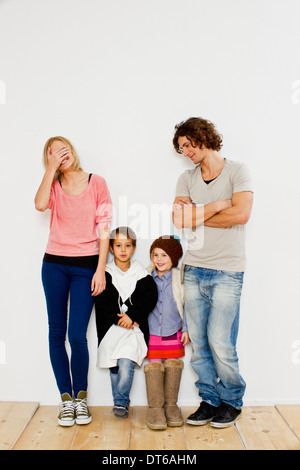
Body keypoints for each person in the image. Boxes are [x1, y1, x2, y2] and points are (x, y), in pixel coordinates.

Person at [172, 117, 253, 428]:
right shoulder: (186, 178)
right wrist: (220, 205)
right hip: (193, 270)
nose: (185, 152)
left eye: (187, 145)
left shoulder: (238, 171)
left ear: (202, 137)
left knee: (221, 341)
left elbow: (242, 214)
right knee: (199, 344)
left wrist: (198, 215)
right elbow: (179, 219)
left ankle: (232, 400)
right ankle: (209, 399)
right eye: (180, 149)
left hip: (228, 271)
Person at [34, 136, 112, 426]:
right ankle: (66, 400)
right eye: (52, 154)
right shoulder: (52, 185)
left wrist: (101, 269)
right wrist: (49, 170)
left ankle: (81, 398)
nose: (59, 155)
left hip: (86, 266)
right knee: (56, 332)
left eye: (63, 149)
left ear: (72, 151)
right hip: (53, 264)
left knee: (77, 335)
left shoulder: (97, 183)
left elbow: (104, 229)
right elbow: (40, 205)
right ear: (49, 159)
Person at [95, 227, 158, 419]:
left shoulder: (142, 275)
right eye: (118, 245)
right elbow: (102, 301)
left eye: (128, 245)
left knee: (126, 363)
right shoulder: (104, 273)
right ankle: (119, 402)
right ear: (112, 249)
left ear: (134, 248)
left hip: (134, 330)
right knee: (114, 367)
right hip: (110, 330)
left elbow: (149, 298)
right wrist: (117, 319)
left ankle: (121, 401)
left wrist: (132, 315)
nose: (123, 250)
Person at [144, 235, 190, 430]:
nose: (159, 259)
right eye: (155, 255)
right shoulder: (146, 276)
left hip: (173, 331)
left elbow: (186, 305)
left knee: (172, 366)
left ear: (173, 257)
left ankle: (171, 406)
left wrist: (186, 329)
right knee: (154, 367)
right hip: (153, 332)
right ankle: (155, 408)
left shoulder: (179, 278)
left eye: (164, 255)